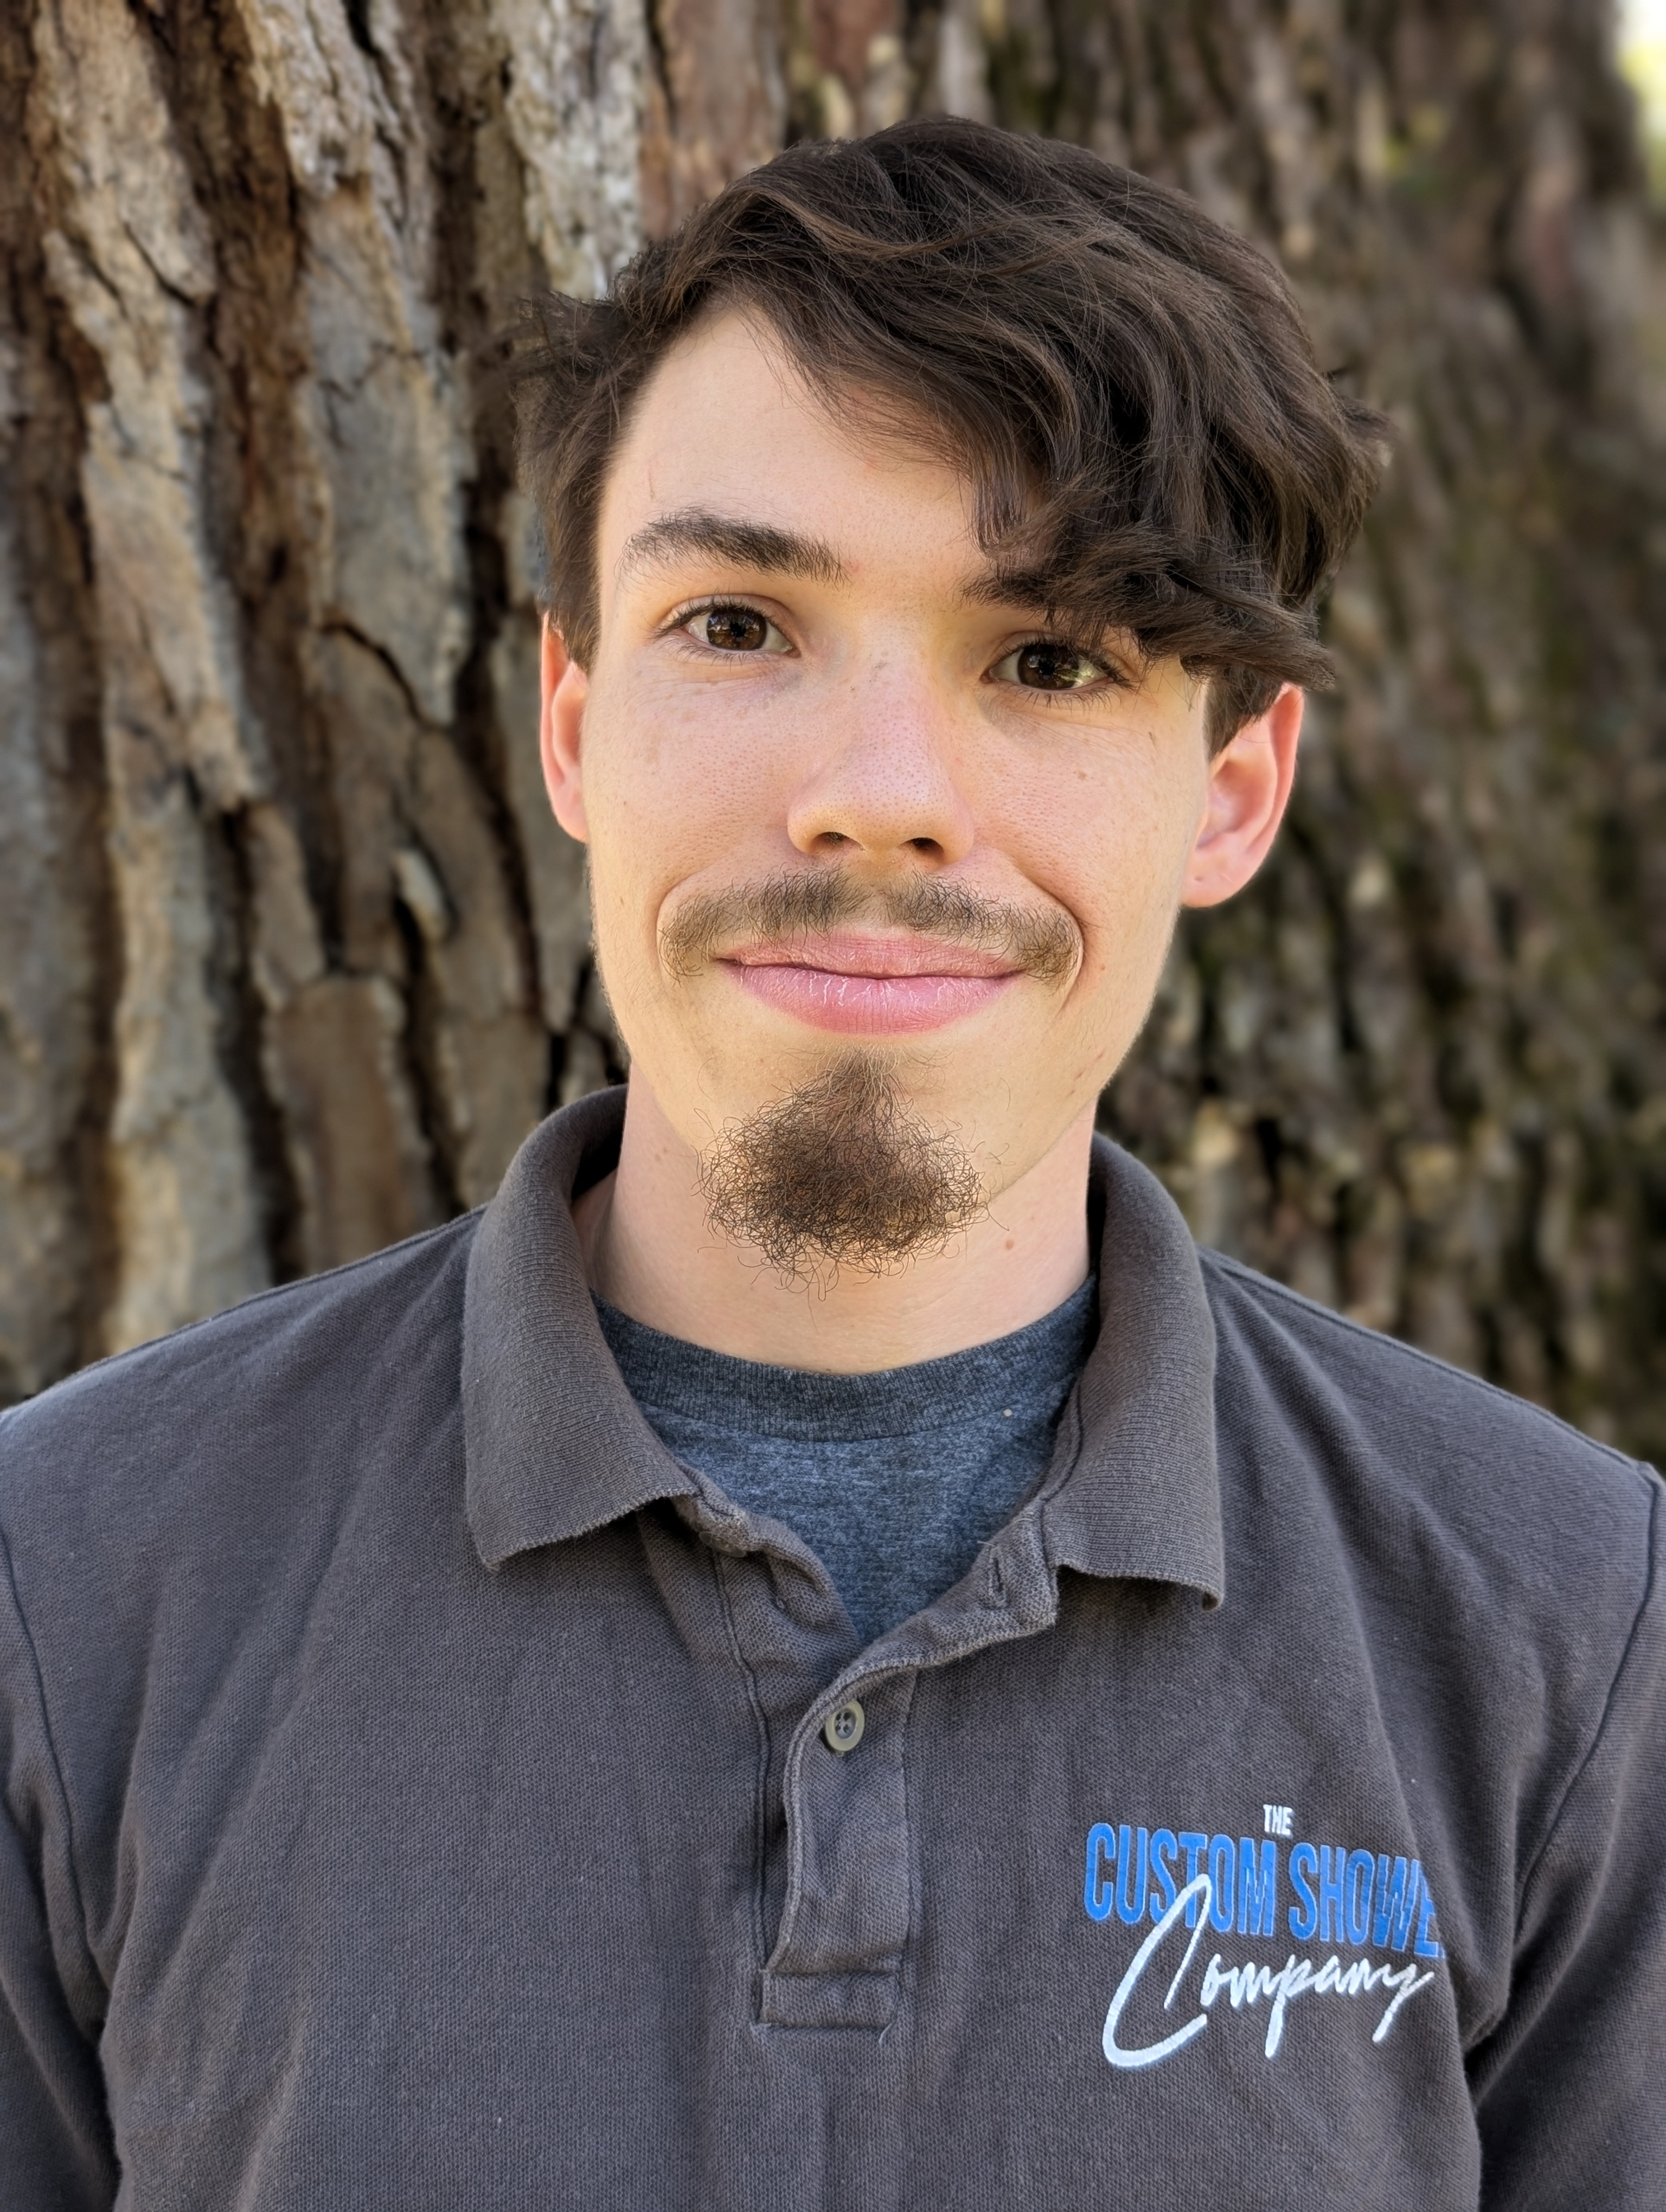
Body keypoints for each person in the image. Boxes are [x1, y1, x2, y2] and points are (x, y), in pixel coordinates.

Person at [1, 119, 1660, 2211]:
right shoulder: (61, 1600)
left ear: (1232, 793)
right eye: (738, 624)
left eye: (1049, 657)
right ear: (574, 723)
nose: (880, 799)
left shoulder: (1580, 1643)